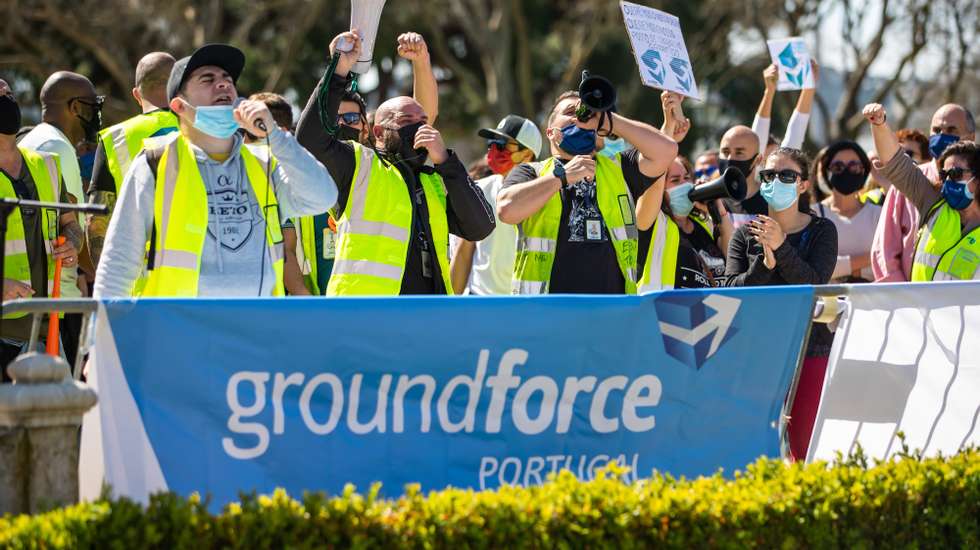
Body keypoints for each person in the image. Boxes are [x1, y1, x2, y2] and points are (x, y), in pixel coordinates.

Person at [93, 43, 336, 298]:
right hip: (183, 330)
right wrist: (103, 332)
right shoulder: (155, 162)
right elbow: (119, 259)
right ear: (179, 106)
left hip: (254, 330)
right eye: (207, 79)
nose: (223, 85)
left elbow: (323, 197)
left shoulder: (264, 164)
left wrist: (275, 135)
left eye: (228, 80)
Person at [296, 30, 493, 296]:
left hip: (428, 316)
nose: (419, 128)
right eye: (406, 122)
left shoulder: (434, 179)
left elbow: (480, 226)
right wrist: (339, 69)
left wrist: (447, 162)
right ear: (377, 132)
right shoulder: (359, 165)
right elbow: (310, 140)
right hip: (367, 315)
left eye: (423, 123)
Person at [497, 86, 678, 295]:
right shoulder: (532, 172)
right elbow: (507, 209)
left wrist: (607, 121)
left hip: (610, 313)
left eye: (585, 113)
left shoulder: (619, 169)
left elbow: (667, 151)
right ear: (550, 132)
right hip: (546, 313)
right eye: (569, 113)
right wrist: (562, 177)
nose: (580, 118)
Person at [724, 147, 837, 460]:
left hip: (809, 351)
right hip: (756, 352)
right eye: (769, 175)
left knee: (802, 449)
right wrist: (764, 264)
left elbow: (814, 284)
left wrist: (782, 247)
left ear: (802, 184)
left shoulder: (822, 230)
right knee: (754, 449)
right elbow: (733, 290)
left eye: (787, 175)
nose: (776, 181)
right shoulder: (745, 234)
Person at [19, 71, 102, 362]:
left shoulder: (37, 140)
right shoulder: (55, 146)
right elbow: (71, 226)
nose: (96, 115)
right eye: (93, 106)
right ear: (75, 107)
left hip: (51, 295)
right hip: (59, 301)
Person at [0, 89, 82, 375]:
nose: (4, 95)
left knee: (57, 419)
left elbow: (71, 225)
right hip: (5, 330)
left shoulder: (46, 164)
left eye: (7, 92)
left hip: (48, 329)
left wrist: (72, 244)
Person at [864, 102, 980, 281]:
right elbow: (895, 163)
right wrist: (879, 124)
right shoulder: (934, 203)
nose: (948, 181)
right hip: (920, 308)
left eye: (956, 174)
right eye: (944, 174)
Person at [87, 52, 178, 269]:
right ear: (179, 87)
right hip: (195, 278)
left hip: (135, 280)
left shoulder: (115, 139)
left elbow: (96, 222)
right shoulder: (202, 131)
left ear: (137, 95)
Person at [637, 92, 728, 291]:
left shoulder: (703, 224)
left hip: (710, 317)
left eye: (687, 178)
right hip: (664, 316)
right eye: (675, 180)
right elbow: (655, 169)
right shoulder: (655, 223)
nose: (684, 184)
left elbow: (731, 259)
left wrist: (718, 208)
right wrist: (668, 129)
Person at [449, 115, 541, 295]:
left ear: (527, 154)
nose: (494, 149)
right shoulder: (479, 189)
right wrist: (449, 307)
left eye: (502, 144)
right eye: (491, 144)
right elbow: (463, 253)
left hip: (525, 301)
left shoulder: (544, 192)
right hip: (480, 300)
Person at [813, 141, 882, 283]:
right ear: (827, 171)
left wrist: (841, 267)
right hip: (827, 301)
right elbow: (816, 266)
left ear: (864, 171)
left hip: (870, 299)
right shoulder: (814, 215)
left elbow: (886, 262)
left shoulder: (879, 214)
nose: (846, 171)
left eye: (854, 166)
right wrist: (869, 259)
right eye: (838, 167)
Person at [751, 61, 819, 154]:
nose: (770, 163)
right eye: (764, 160)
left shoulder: (784, 163)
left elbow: (796, 132)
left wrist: (809, 87)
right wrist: (769, 91)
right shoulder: (754, 164)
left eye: (775, 154)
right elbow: (756, 141)